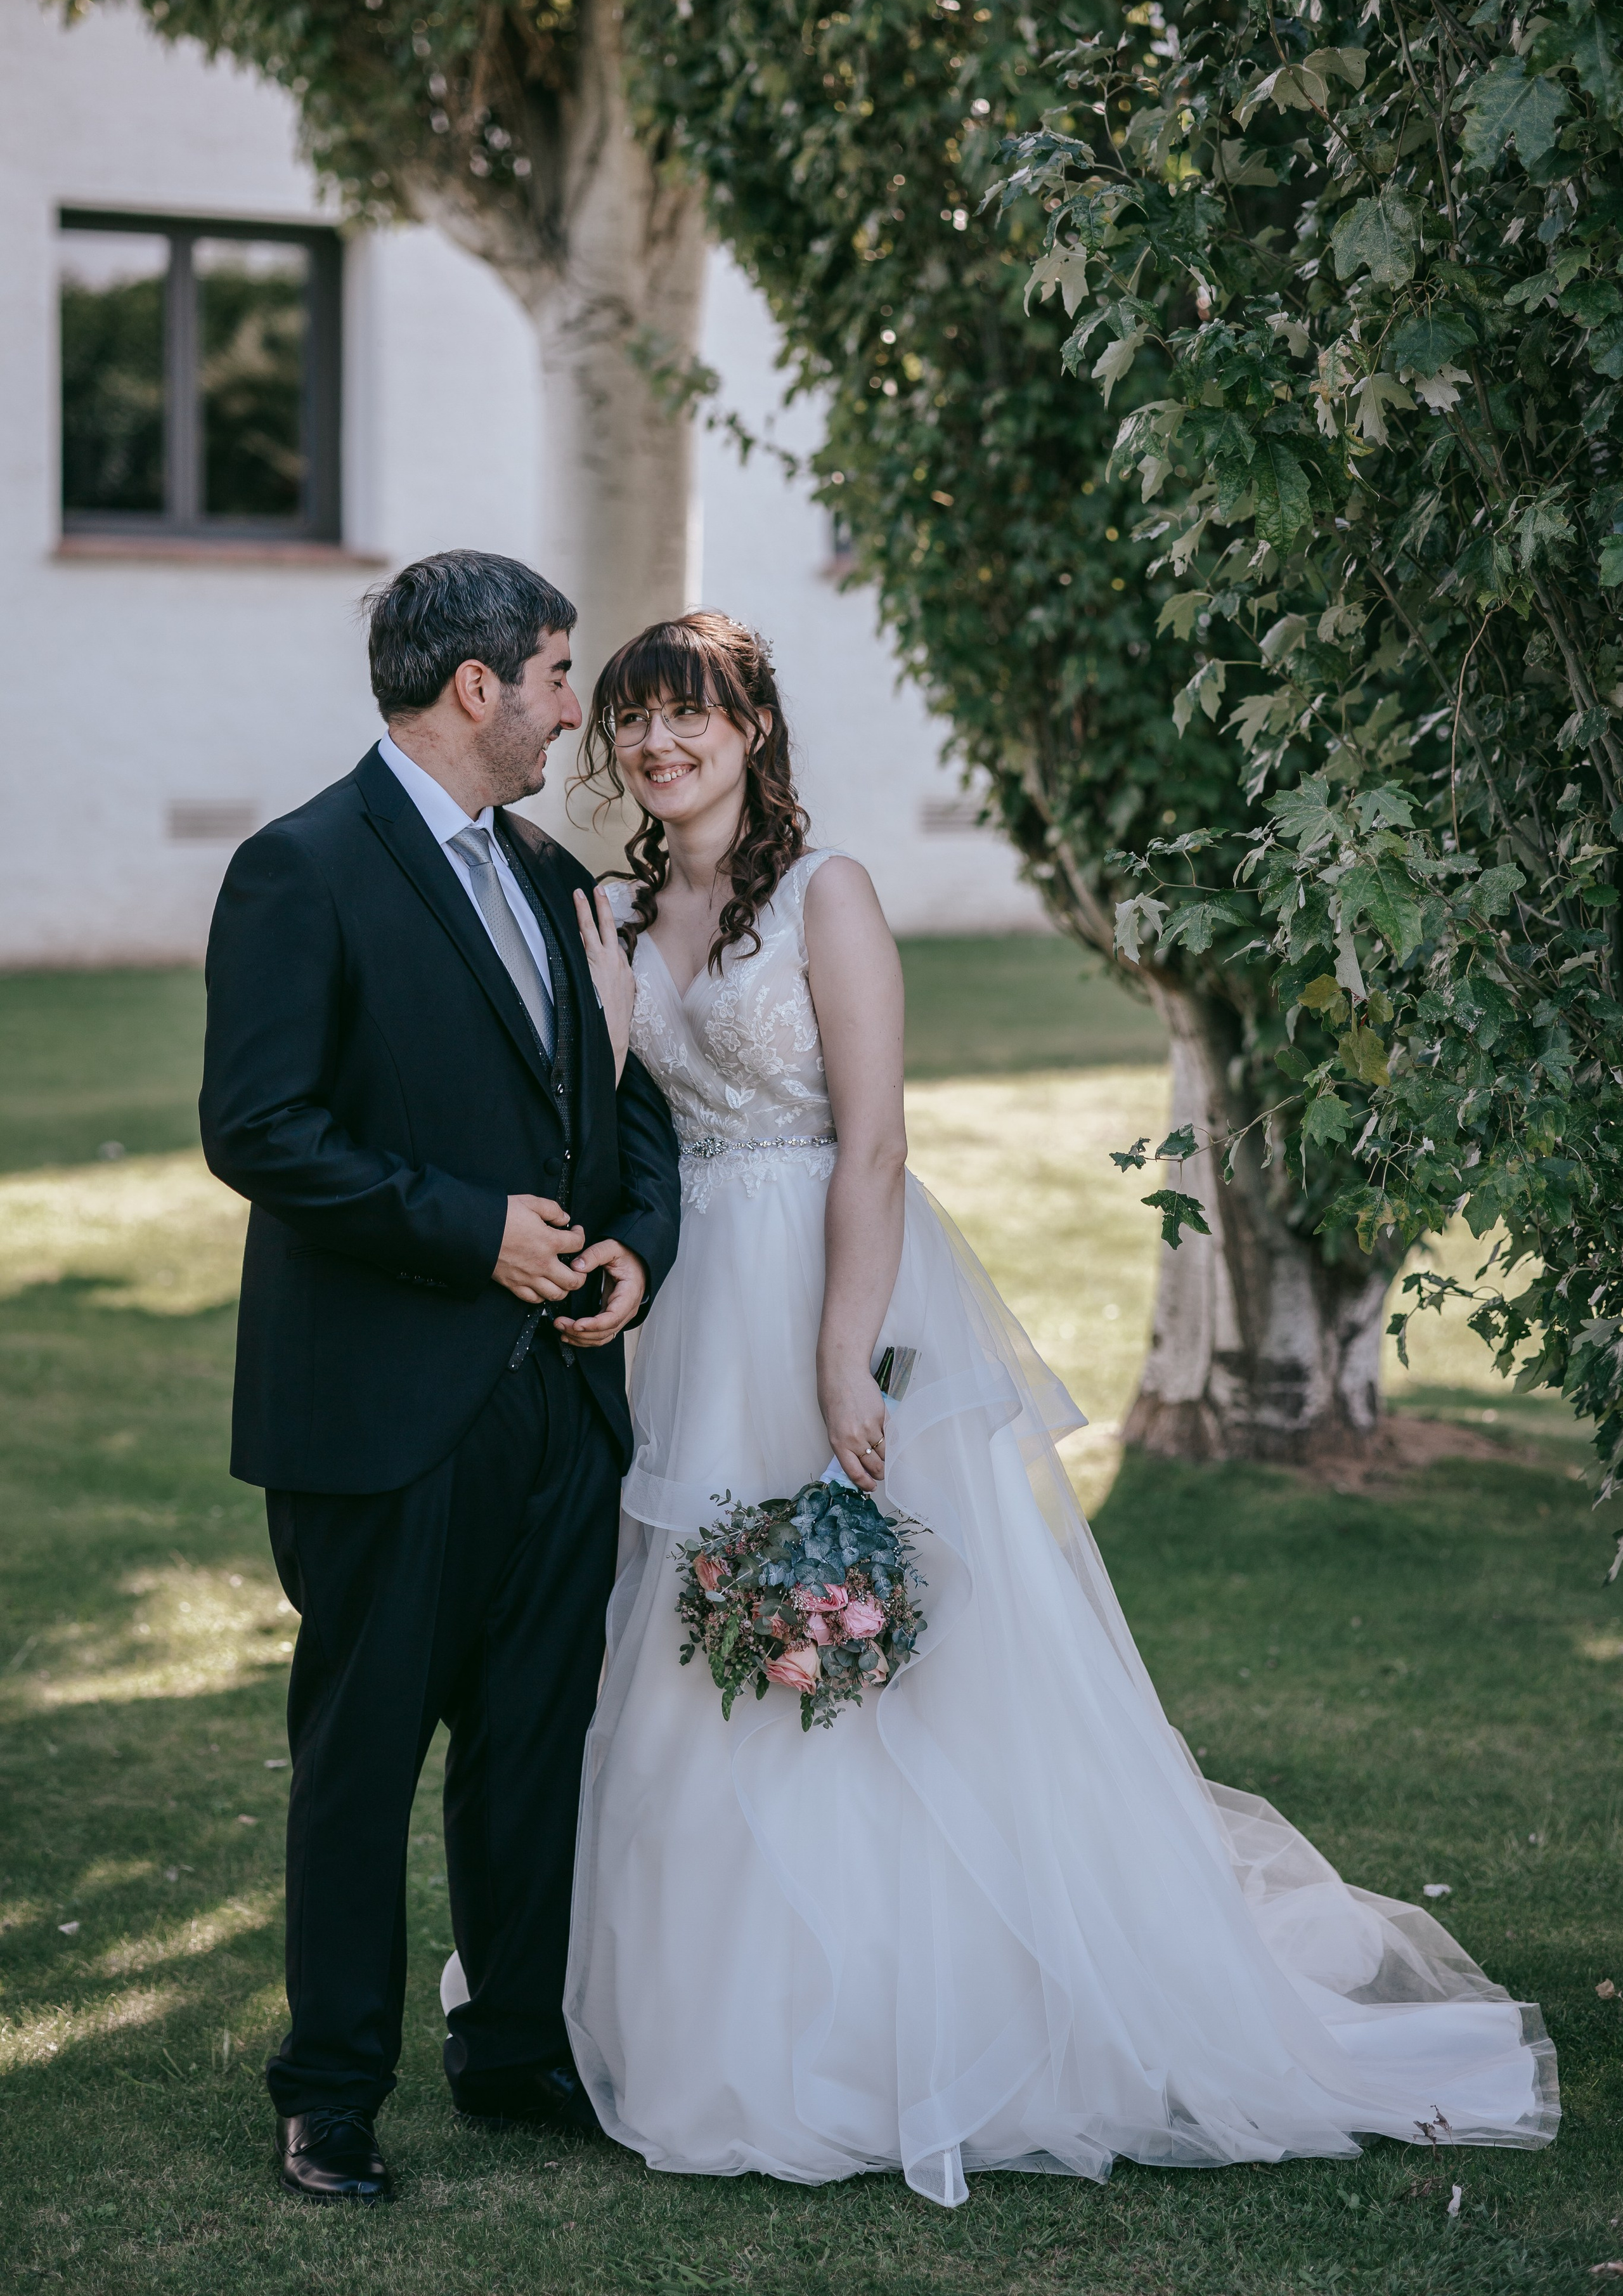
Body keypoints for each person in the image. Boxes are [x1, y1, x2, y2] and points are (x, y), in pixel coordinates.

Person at [528, 609, 1556, 2207]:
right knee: (695, 1630)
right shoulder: (627, 903)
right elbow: (611, 1116)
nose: (660, 746)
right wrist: (602, 979)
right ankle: (711, 2009)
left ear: (750, 728)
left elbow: (872, 1142)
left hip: (824, 1271)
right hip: (692, 1304)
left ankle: (929, 2010)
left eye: (690, 716)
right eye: (634, 723)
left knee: (889, 1632)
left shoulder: (830, 893)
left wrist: (839, 1356)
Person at [199, 551, 681, 2203]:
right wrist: (469, 1230)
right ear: (474, 686)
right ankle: (329, 2097)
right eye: (555, 674)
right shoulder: (300, 871)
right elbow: (260, 1132)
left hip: (558, 1400)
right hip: (382, 1414)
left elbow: (626, 1109)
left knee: (533, 1743)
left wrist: (634, 1248)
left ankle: (517, 2050)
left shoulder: (551, 876)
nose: (571, 708)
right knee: (362, 1761)